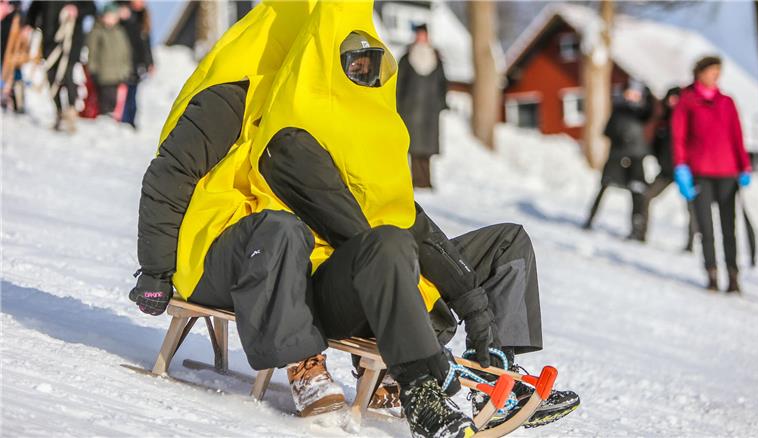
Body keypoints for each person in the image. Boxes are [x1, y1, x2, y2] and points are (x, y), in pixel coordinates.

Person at [130, 3, 577, 436]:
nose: (358, 72)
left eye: (365, 63)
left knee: (500, 243)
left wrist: (468, 304)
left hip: (344, 263)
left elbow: (402, 216)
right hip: (234, 249)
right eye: (345, 58)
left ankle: (497, 366)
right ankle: (322, 369)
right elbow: (172, 174)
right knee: (304, 232)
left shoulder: (345, 117)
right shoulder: (248, 105)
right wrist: (155, 270)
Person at [672, 56, 752, 293]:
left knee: (729, 226)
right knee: (705, 226)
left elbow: (737, 135)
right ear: (700, 73)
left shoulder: (727, 102)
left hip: (727, 171)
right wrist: (680, 166)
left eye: (718, 70)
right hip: (700, 172)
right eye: (712, 71)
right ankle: (712, 273)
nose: (716, 75)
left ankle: (733, 275)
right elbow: (678, 137)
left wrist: (744, 165)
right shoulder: (687, 102)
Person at [583, 79, 654, 241]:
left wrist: (648, 94)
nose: (632, 96)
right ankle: (590, 219)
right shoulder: (618, 110)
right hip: (617, 156)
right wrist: (620, 138)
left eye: (636, 94)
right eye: (630, 93)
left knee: (637, 192)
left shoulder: (642, 113)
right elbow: (607, 131)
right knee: (604, 186)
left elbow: (650, 112)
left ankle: (637, 230)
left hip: (636, 158)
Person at [24, 0, 96, 132]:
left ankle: (71, 113)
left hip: (71, 41)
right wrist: (29, 24)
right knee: (51, 76)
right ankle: (58, 112)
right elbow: (35, 7)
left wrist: (76, 9)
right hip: (49, 40)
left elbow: (91, 8)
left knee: (68, 75)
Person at [642, 86, 698, 248]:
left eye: (676, 99)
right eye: (670, 99)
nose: (672, 102)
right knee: (647, 196)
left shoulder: (688, 121)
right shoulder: (662, 121)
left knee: (692, 208)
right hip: (666, 171)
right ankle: (641, 232)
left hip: (686, 172)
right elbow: (654, 143)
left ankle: (691, 243)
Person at [396, 23, 448, 189]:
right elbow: (398, 84)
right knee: (413, 146)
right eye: (418, 34)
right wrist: (398, 105)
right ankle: (415, 180)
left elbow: (442, 84)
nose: (421, 37)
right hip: (410, 109)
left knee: (426, 148)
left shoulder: (437, 58)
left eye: (423, 34)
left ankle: (425, 180)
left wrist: (441, 103)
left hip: (429, 110)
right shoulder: (406, 57)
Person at [86, 4, 132, 118]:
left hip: (118, 74)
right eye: (109, 16)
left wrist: (127, 69)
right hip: (103, 73)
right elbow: (92, 52)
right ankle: (104, 120)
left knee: (115, 101)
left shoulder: (120, 32)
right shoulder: (97, 32)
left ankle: (110, 120)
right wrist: (92, 68)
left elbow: (126, 52)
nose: (112, 19)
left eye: (114, 16)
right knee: (105, 100)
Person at [116, 0, 153, 128]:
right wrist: (124, 18)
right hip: (124, 61)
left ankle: (130, 120)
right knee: (123, 93)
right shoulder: (123, 12)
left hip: (138, 63)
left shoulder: (143, 17)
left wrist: (150, 62)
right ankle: (123, 120)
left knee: (133, 93)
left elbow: (146, 43)